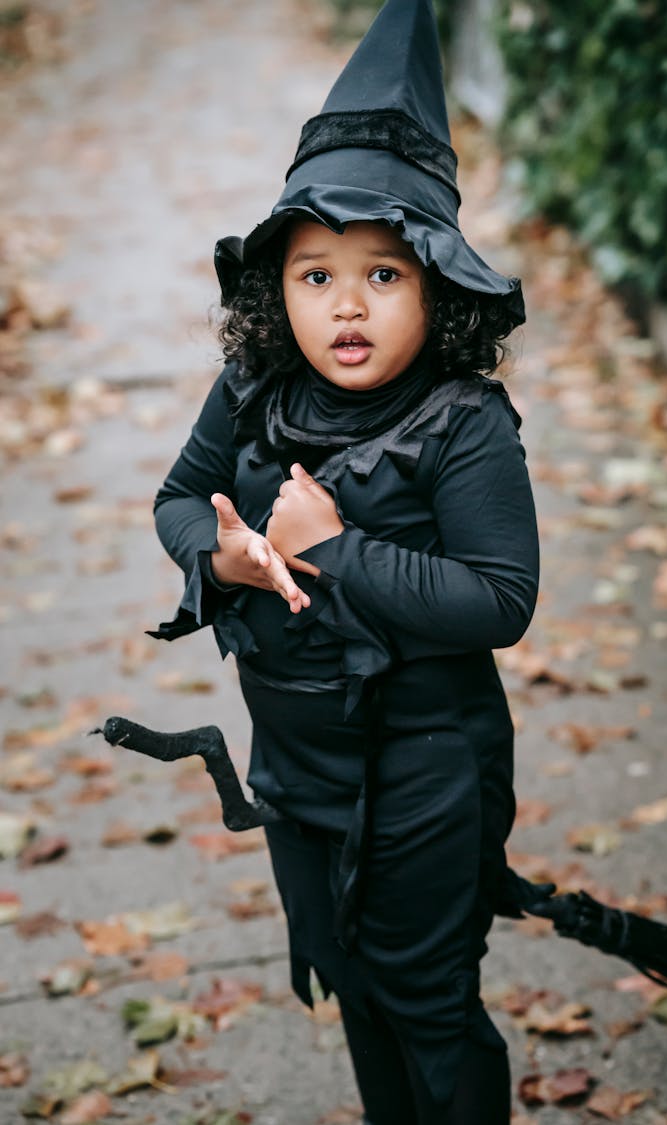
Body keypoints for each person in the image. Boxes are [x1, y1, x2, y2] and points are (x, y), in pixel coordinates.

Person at [148, 2, 538, 1121]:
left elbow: (501, 600)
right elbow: (181, 499)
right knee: (354, 983)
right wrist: (218, 564)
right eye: (315, 275)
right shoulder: (253, 391)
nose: (347, 304)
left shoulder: (464, 423)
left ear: (437, 289)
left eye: (384, 274)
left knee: (424, 997)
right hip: (298, 765)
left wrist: (341, 550)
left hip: (425, 772)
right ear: (279, 289)